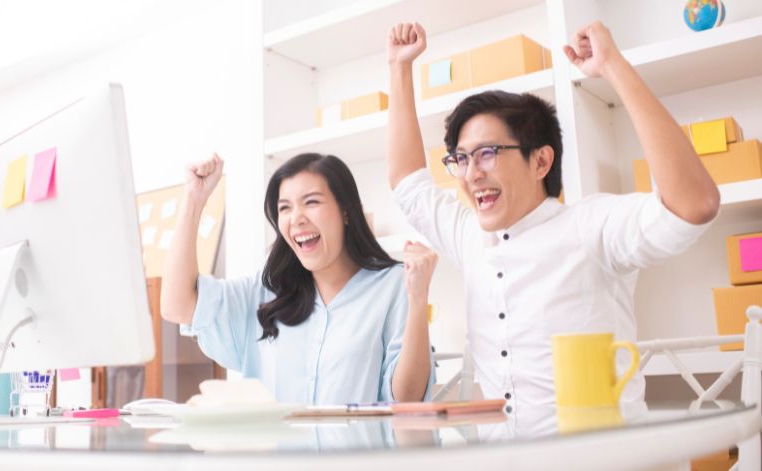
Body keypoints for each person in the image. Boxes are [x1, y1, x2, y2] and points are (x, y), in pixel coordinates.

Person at [385, 21, 719, 415]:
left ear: (541, 160)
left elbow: (694, 204)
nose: (472, 173)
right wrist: (399, 68)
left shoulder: (592, 227)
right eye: (461, 158)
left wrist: (614, 67)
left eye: (487, 154)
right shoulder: (468, 235)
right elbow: (408, 183)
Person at [160, 152, 436, 404]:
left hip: (356, 459)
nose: (297, 218)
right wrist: (194, 200)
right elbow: (177, 305)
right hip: (279, 460)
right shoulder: (264, 293)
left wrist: (418, 297)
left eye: (311, 202)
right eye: (285, 208)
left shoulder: (393, 286)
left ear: (346, 211)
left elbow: (408, 398)